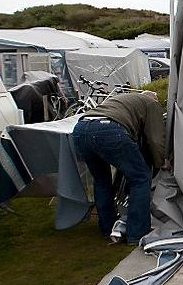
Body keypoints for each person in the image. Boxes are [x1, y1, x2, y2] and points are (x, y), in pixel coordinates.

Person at [71, 90, 166, 244]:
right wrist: (161, 162)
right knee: (140, 178)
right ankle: (137, 233)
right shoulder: (152, 103)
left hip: (80, 129)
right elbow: (155, 139)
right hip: (108, 130)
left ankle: (107, 228)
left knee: (102, 180)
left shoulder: (123, 99)